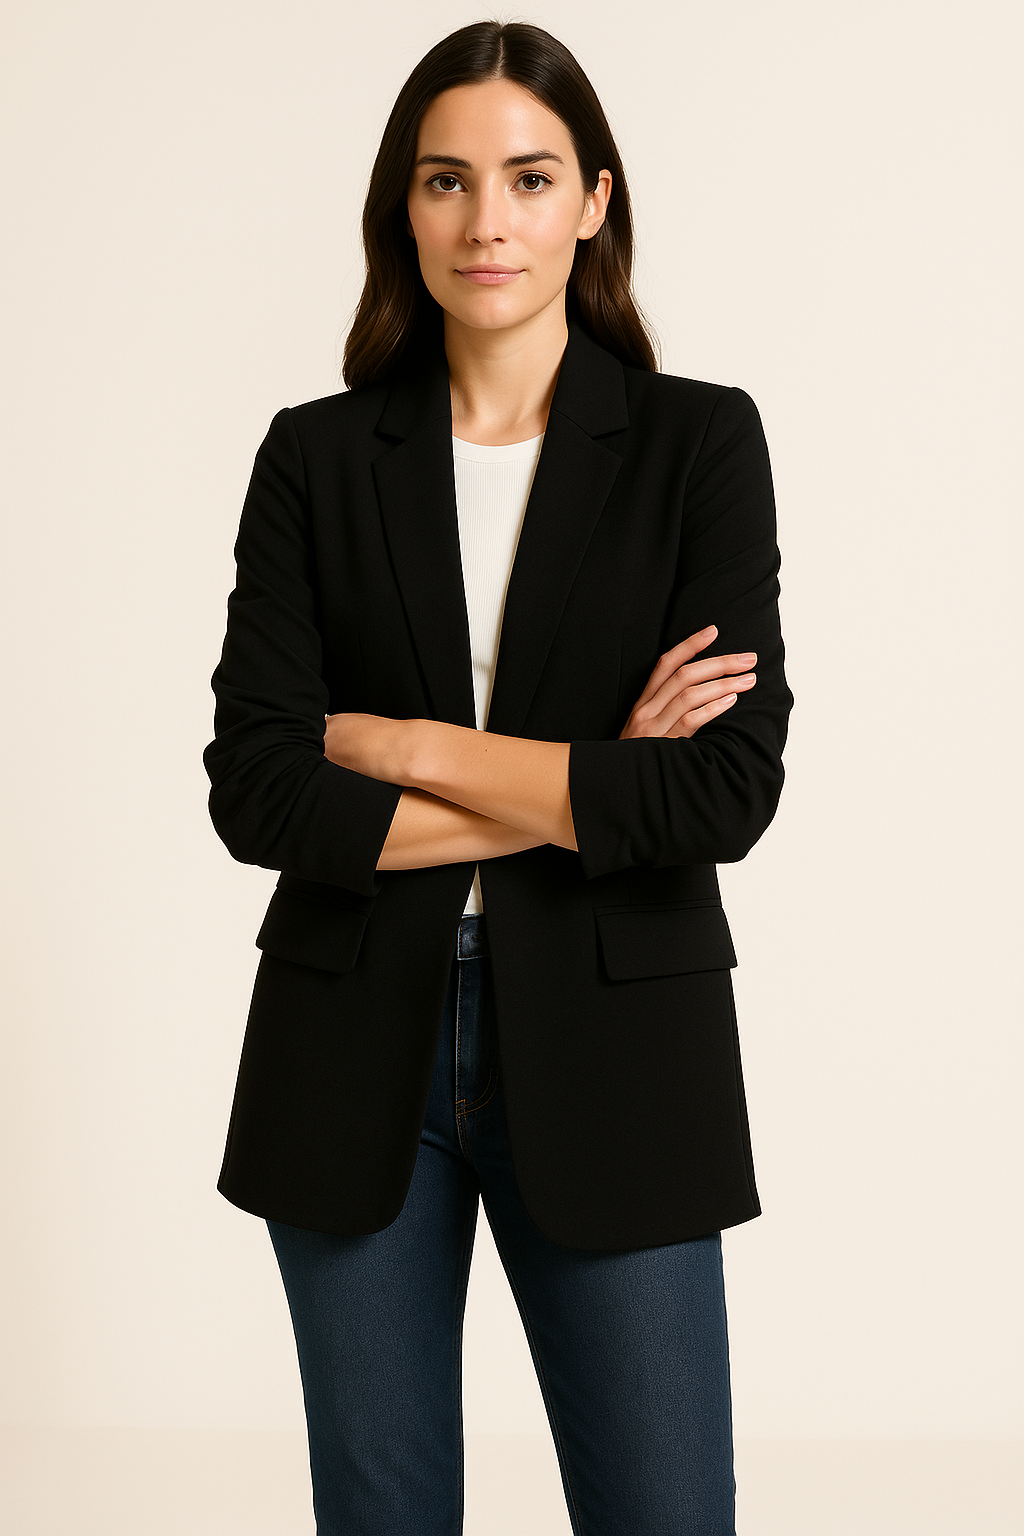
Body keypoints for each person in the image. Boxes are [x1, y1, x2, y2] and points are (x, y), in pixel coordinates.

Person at [203, 19, 793, 1536]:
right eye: (446, 181)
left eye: (529, 179)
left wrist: (402, 747)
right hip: (353, 1054)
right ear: (404, 208)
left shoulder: (695, 445)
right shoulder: (315, 460)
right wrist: (591, 781)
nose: (488, 222)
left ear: (594, 198)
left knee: (666, 1514)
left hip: (620, 1041)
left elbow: (720, 794)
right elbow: (258, 792)